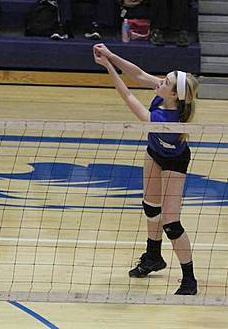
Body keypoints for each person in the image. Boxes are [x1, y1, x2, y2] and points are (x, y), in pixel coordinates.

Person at [92, 42, 200, 296]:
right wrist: (110, 54)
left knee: (171, 223)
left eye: (166, 81)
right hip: (154, 153)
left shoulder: (163, 121)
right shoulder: (166, 95)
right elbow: (139, 74)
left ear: (174, 95)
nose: (160, 81)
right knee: (151, 207)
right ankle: (153, 257)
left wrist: (108, 67)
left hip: (175, 161)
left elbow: (128, 96)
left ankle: (189, 279)